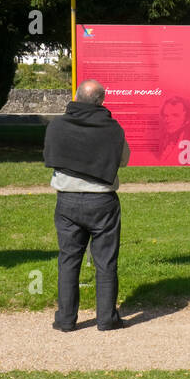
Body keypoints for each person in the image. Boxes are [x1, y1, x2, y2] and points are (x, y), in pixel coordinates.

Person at [42, 79, 131, 332]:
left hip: (67, 200)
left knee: (68, 260)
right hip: (102, 201)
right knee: (105, 262)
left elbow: (49, 155)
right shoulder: (112, 128)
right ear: (101, 101)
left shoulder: (57, 126)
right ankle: (106, 319)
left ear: (76, 97)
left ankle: (66, 320)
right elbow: (123, 161)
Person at [156, 96, 190, 165]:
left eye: (175, 115)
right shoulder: (164, 137)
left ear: (186, 117)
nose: (168, 120)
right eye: (166, 116)